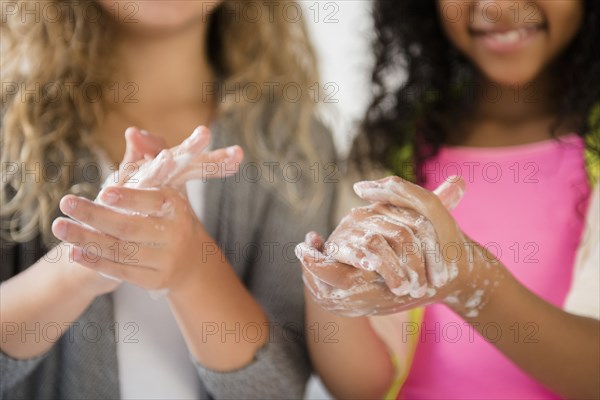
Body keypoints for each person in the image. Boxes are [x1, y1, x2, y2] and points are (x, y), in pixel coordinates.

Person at [0, 1, 336, 399]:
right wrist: (85, 262)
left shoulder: (293, 145)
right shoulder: (10, 130)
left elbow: (279, 390)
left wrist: (193, 269)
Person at [297, 0, 600, 398]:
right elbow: (358, 387)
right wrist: (332, 291)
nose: (499, 6)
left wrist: (468, 280)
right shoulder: (388, 144)